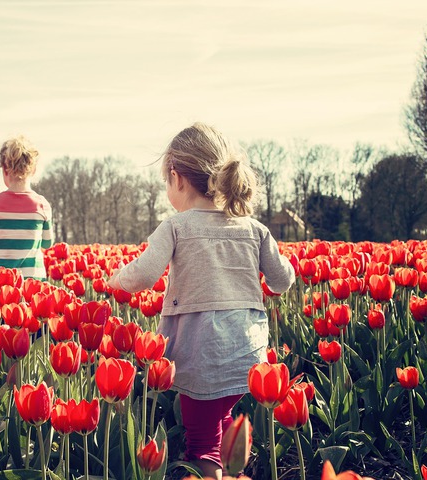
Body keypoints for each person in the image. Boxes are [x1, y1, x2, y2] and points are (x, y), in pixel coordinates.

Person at [108, 122, 295, 479]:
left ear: (177, 178)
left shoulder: (177, 226)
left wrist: (117, 277)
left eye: (167, 181)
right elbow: (282, 280)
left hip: (202, 352)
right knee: (223, 420)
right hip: (248, 354)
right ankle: (232, 469)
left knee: (203, 443)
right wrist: (287, 266)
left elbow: (144, 275)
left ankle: (213, 473)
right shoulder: (254, 228)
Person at [0, 134, 54, 280]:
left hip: (1, 279)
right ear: (33, 170)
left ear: (4, 170)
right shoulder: (42, 205)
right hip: (33, 279)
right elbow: (48, 243)